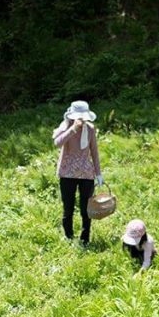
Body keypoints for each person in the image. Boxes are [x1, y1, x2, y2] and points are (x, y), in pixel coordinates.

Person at [52, 101, 103, 246]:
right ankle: (68, 236)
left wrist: (98, 174)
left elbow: (94, 151)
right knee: (68, 207)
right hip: (67, 173)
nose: (81, 119)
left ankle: (85, 238)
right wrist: (73, 129)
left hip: (86, 173)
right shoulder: (66, 127)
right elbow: (57, 143)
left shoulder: (90, 129)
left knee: (86, 208)